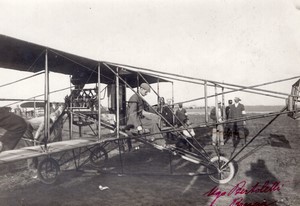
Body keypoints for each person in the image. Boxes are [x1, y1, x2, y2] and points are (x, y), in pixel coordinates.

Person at [127, 83, 166, 147]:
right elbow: (132, 113)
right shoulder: (134, 98)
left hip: (140, 118)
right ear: (141, 89)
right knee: (153, 124)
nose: (146, 93)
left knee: (156, 120)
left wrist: (154, 116)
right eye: (146, 91)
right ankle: (161, 143)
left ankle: (156, 139)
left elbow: (142, 111)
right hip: (133, 121)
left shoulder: (139, 97)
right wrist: (138, 125)